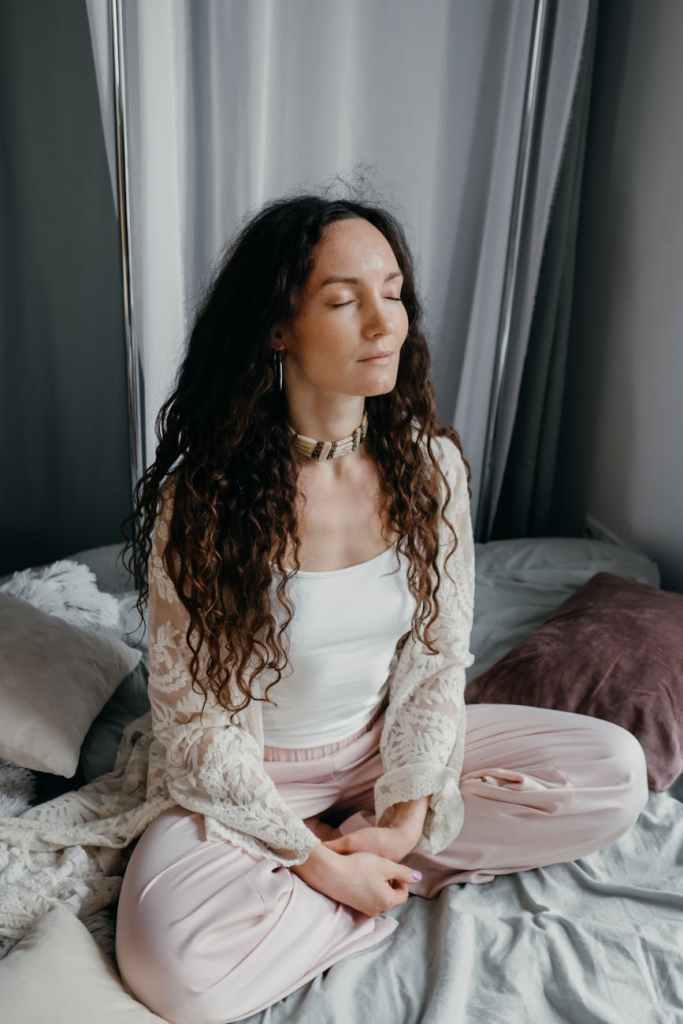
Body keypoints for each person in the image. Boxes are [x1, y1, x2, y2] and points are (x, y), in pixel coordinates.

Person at [111, 192, 650, 1024]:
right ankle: (362, 883)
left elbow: (436, 662)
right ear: (277, 329)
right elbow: (197, 729)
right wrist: (320, 863)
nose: (382, 323)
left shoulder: (430, 468)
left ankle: (379, 863)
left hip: (382, 755)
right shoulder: (204, 498)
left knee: (614, 773)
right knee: (173, 972)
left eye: (393, 293)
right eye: (342, 301)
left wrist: (400, 820)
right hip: (254, 778)